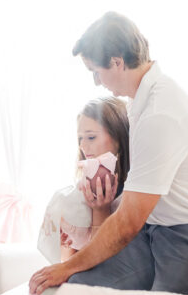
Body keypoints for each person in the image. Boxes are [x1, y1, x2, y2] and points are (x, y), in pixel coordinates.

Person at [29, 11, 188, 295]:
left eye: (96, 72)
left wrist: (67, 266)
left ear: (117, 62)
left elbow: (128, 222)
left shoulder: (160, 113)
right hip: (154, 229)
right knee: (75, 291)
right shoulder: (139, 102)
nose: (97, 81)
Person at [36, 97, 130, 265]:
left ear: (118, 138)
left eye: (91, 137)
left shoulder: (133, 192)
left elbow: (102, 264)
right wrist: (68, 243)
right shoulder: (83, 190)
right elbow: (70, 264)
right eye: (80, 138)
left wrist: (101, 210)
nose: (82, 146)